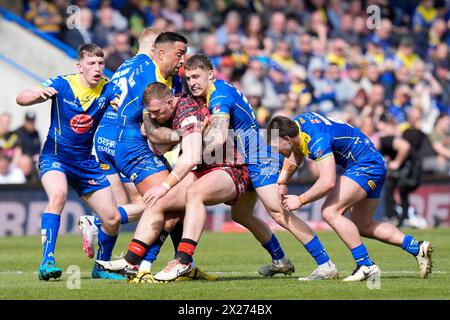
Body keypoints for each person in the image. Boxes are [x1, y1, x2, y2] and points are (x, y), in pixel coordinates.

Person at [156, 54, 338, 281]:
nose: (192, 82)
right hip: (246, 157)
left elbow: (220, 137)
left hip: (258, 156)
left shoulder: (219, 95)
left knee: (278, 212)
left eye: (197, 76)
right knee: (241, 214)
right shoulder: (217, 91)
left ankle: (325, 263)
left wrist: (191, 150)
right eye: (189, 77)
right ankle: (280, 260)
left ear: (210, 75)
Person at [267, 113, 434, 281]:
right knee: (363, 224)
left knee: (330, 211)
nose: (277, 152)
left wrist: (301, 200)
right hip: (372, 162)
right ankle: (416, 247)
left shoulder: (316, 139)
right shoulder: (298, 124)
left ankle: (366, 265)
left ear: (286, 138)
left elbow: (327, 181)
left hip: (365, 165)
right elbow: (297, 151)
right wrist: (282, 182)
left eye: (276, 146)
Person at [16, 43, 129, 281]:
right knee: (58, 196)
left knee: (112, 218)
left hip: (85, 162)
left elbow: (121, 98)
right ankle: (47, 261)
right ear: (79, 66)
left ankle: (101, 266)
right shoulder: (62, 84)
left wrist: (119, 103)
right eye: (91, 63)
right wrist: (35, 95)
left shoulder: (109, 88)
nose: (97, 68)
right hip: (55, 157)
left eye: (100, 63)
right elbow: (21, 97)